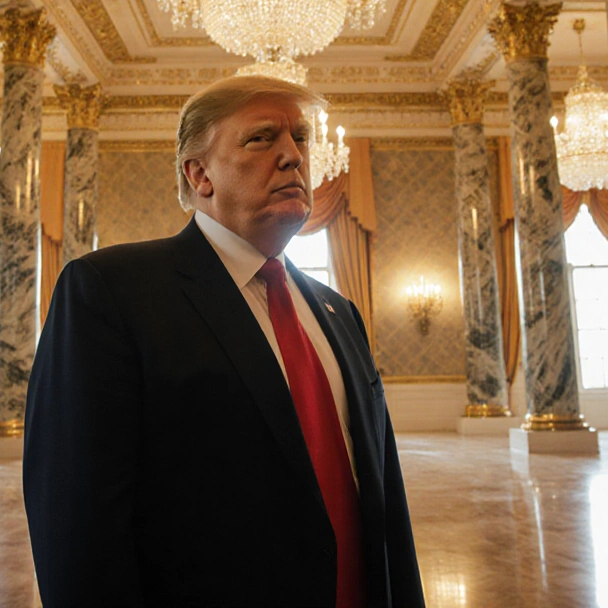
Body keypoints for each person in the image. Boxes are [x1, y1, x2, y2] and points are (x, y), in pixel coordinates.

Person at [23, 75, 424, 607]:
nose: (294, 156)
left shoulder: (339, 311)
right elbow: (77, 523)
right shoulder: (111, 292)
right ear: (200, 174)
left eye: (300, 138)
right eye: (262, 138)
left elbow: (385, 502)